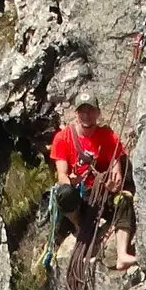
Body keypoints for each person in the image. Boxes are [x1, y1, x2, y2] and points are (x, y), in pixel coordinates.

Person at [48, 85, 137, 271]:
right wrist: (71, 181)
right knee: (64, 193)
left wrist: (113, 185)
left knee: (124, 199)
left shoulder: (108, 137)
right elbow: (62, 175)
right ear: (76, 114)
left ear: (97, 113)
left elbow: (116, 172)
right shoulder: (63, 138)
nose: (86, 116)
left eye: (90, 111)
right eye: (82, 111)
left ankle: (122, 253)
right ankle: (79, 225)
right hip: (81, 195)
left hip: (102, 192)